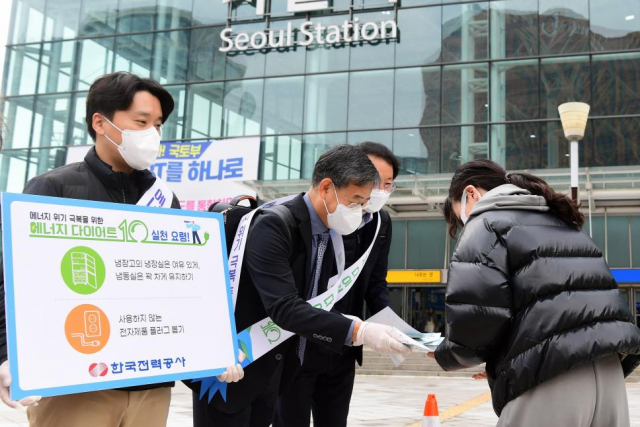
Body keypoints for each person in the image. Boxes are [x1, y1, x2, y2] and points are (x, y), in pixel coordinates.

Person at [0, 72, 243, 427]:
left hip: (151, 386)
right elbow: (14, 281)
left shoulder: (164, 198)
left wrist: (213, 344)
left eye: (158, 125)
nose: (152, 134)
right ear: (101, 122)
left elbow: (181, 284)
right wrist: (8, 356)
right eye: (141, 122)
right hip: (76, 386)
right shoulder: (54, 188)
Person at [191, 144, 411, 427]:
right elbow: (285, 307)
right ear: (327, 188)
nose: (359, 211)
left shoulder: (328, 233)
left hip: (272, 371)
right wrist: (359, 330)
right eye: (355, 201)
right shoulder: (275, 224)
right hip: (228, 371)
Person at [433, 159, 640, 426]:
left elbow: (478, 320)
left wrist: (445, 353)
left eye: (458, 211)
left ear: (470, 193)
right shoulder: (562, 221)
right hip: (608, 373)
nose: (463, 221)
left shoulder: (486, 222)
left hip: (548, 380)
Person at [273, 141, 399, 427]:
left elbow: (376, 286)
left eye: (387, 183)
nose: (377, 190)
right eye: (372, 180)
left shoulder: (381, 223)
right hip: (299, 343)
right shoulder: (317, 216)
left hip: (344, 346)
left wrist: (398, 333)